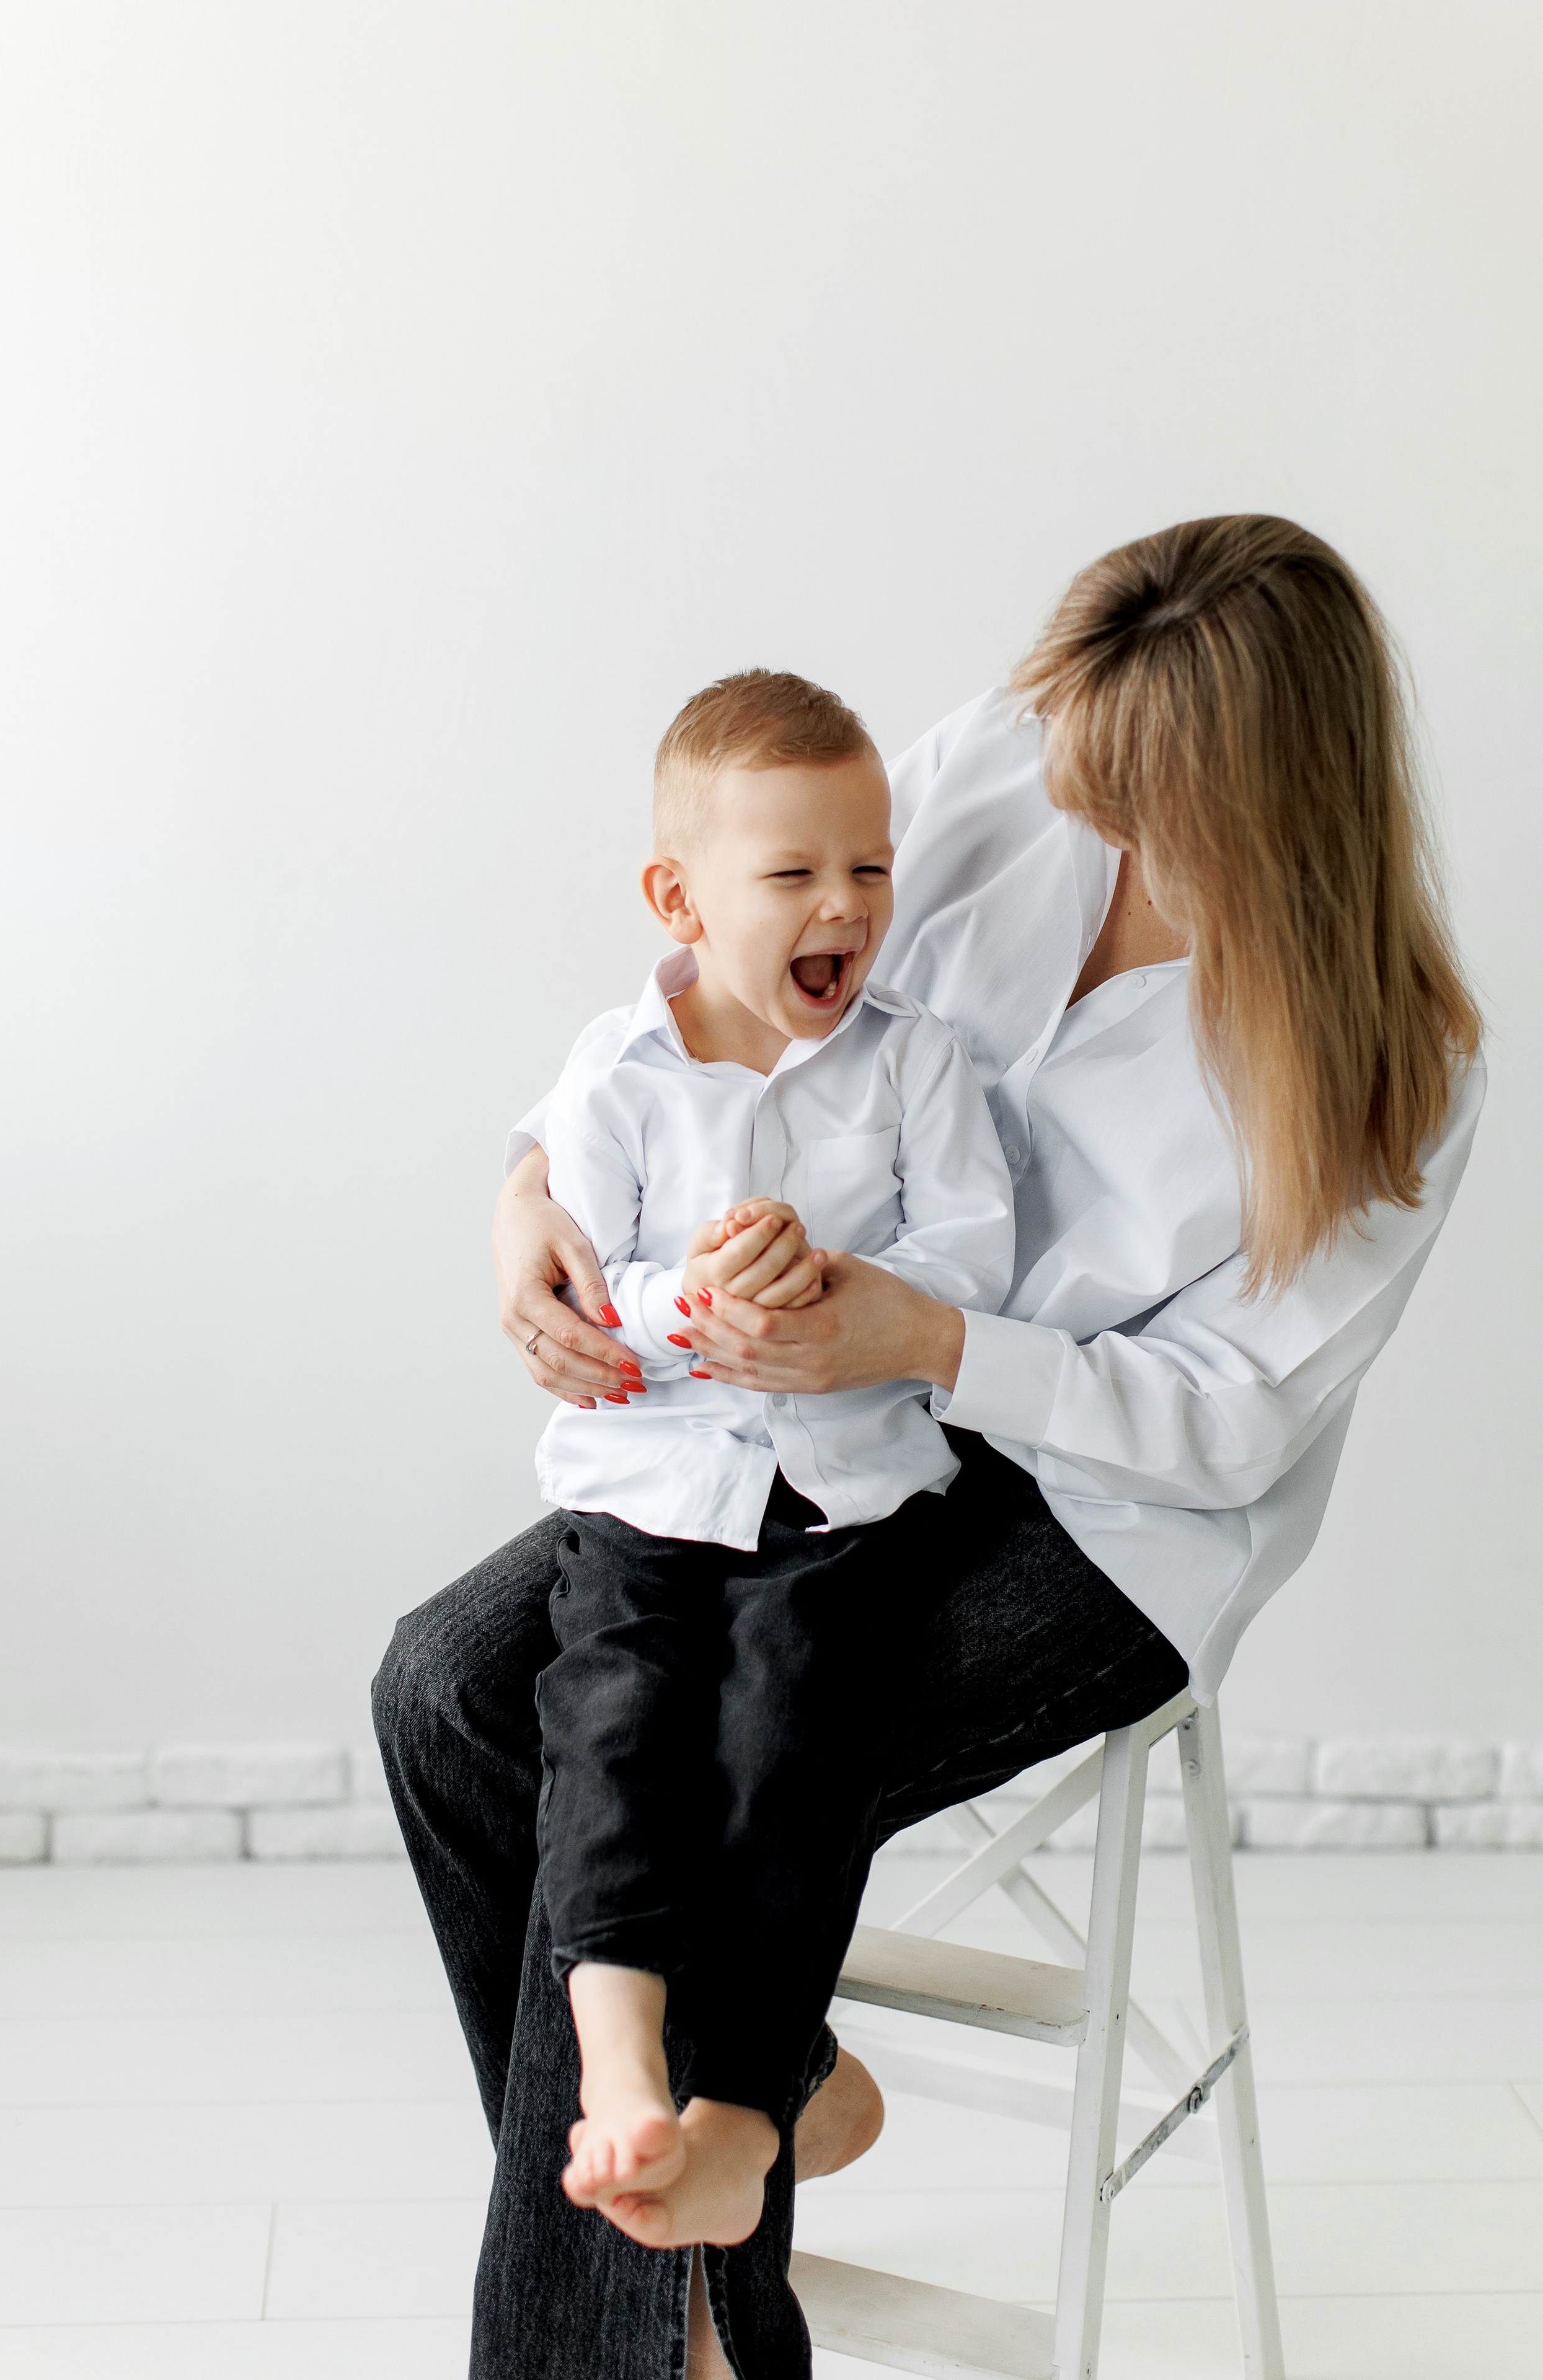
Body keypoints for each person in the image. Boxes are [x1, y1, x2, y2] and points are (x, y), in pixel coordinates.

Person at [375, 516, 1485, 2380]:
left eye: (1160, 816)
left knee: (703, 1778)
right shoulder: (1017, 764)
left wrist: (936, 1335)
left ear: (1281, 815)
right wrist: (526, 1197)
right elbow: (706, 985)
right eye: (1090, 785)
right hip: (811, 1410)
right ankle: (759, 2127)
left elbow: (1228, 1425)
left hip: (1105, 1515)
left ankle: (674, 2316)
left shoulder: (1402, 1067)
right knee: (447, 1688)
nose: (1102, 839)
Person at [528, 670, 1014, 2247]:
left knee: (789, 1739)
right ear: (678, 899)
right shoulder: (616, 1076)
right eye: (793, 874)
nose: (845, 905)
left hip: (841, 1499)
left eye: (867, 869)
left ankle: (746, 2105)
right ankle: (618, 2075)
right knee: (613, 1729)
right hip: (652, 1488)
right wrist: (699, 1295)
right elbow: (582, 1281)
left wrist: (838, 1289)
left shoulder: (912, 1061)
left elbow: (971, 1260)